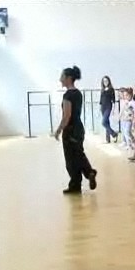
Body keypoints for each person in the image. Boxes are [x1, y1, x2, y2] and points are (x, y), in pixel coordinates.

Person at [54, 66, 97, 194]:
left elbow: (67, 116)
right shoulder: (78, 93)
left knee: (71, 159)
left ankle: (78, 182)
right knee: (78, 153)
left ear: (68, 78)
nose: (60, 79)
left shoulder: (68, 95)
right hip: (79, 128)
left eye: (62, 77)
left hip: (70, 129)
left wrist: (58, 130)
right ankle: (87, 174)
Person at [99, 76, 118, 143]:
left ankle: (114, 134)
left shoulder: (111, 89)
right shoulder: (102, 89)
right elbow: (101, 100)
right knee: (107, 122)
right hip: (103, 108)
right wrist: (100, 107)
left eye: (106, 81)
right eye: (104, 81)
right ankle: (108, 139)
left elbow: (113, 100)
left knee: (103, 122)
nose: (105, 82)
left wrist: (113, 109)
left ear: (109, 81)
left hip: (108, 107)